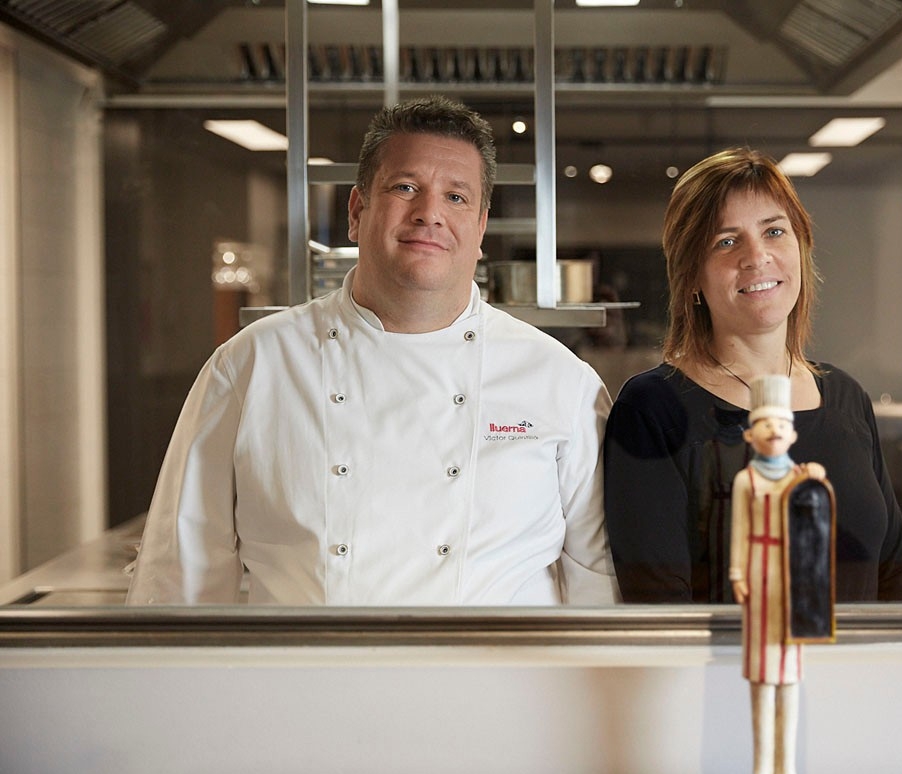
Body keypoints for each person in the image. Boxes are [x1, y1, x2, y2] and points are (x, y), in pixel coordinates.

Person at [127, 95, 619, 606]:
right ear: (357, 211)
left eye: (456, 197)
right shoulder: (251, 366)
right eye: (405, 188)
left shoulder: (562, 381)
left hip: (495, 661)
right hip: (309, 660)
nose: (429, 214)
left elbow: (600, 582)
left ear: (479, 230)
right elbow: (180, 573)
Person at [603, 146, 902, 604]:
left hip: (860, 654)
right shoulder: (652, 410)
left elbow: (895, 571)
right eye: (726, 241)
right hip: (737, 655)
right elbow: (661, 610)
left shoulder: (846, 397)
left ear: (801, 247)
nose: (757, 256)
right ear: (691, 276)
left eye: (774, 231)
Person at [730, 374, 833, 774]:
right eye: (766, 423)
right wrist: (737, 574)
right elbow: (740, 530)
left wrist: (817, 477)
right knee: (761, 683)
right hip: (758, 577)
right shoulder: (746, 481)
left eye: (782, 424)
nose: (774, 431)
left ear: (793, 434)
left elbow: (818, 515)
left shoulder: (799, 478)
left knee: (789, 682)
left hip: (796, 583)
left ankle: (785, 773)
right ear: (750, 434)